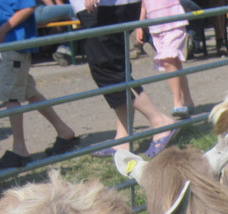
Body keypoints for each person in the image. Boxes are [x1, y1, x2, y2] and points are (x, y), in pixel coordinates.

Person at [0, 0, 81, 169]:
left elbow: (28, 6)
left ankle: (20, 150)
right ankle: (64, 131)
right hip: (8, 44)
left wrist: (3, 29)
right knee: (29, 92)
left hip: (15, 44)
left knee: (10, 95)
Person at [70, 0, 178, 157]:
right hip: (106, 8)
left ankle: (160, 122)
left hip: (103, 8)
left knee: (107, 70)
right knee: (115, 68)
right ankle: (123, 138)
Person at [139, 0, 195, 119]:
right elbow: (144, 4)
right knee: (175, 63)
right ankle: (188, 100)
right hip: (155, 25)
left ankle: (177, 103)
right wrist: (140, 25)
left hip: (174, 20)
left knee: (168, 61)